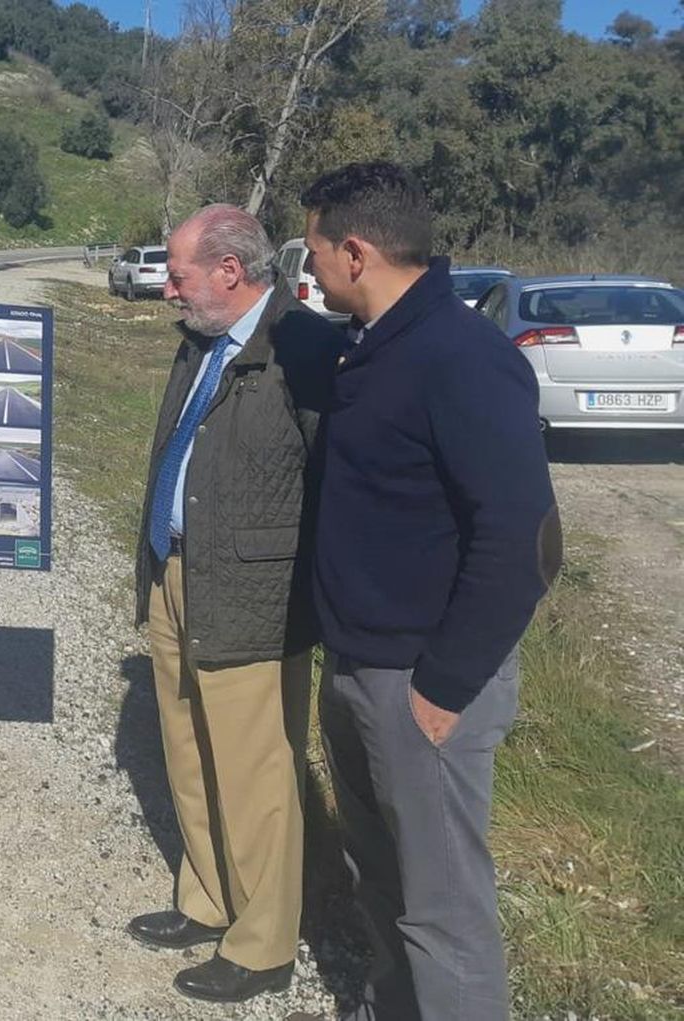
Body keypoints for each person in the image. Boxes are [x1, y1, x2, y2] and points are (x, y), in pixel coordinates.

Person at [302, 162, 560, 1019]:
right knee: (380, 874)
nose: (310, 272)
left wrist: (445, 688)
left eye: (314, 253)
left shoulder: (461, 355)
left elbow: (524, 539)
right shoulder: (373, 346)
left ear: (355, 251)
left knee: (444, 912)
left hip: (423, 682)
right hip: (358, 663)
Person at [127, 205, 345, 1003]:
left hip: (254, 592)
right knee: (185, 747)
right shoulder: (201, 341)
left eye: (178, 274)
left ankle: (262, 944)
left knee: (256, 770)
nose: (166, 291)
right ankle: (208, 898)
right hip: (177, 573)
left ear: (229, 270)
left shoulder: (305, 346)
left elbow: (333, 480)